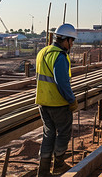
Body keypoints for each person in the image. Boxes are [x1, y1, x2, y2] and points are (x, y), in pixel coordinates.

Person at [35, 23, 79, 176]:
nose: (72, 44)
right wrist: (71, 100)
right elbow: (62, 82)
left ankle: (43, 170)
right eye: (71, 41)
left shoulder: (43, 52)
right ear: (65, 40)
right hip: (58, 103)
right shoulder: (60, 56)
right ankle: (59, 165)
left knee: (48, 134)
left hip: (42, 102)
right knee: (63, 133)